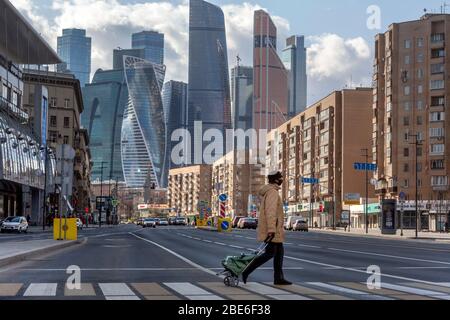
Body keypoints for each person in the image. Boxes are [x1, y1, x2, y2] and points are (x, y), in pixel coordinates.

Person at [241, 171, 292, 286]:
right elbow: (270, 212)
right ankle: (246, 270)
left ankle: (278, 278)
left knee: (279, 254)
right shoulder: (272, 192)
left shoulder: (270, 192)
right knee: (269, 254)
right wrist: (271, 230)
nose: (282, 179)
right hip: (273, 230)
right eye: (280, 177)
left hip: (276, 230)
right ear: (275, 180)